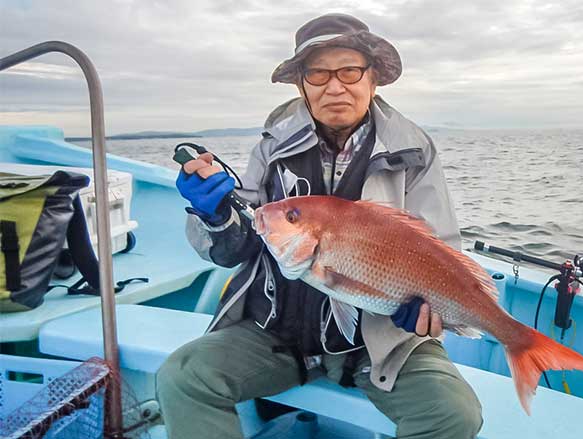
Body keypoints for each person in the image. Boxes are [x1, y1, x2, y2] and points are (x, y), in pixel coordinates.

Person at [157, 13, 483, 439]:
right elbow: (237, 248)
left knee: (454, 415)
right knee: (182, 378)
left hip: (379, 342)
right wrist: (214, 215)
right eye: (317, 72)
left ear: (373, 78)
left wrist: (425, 311)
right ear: (302, 84)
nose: (334, 85)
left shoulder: (413, 152)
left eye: (349, 70)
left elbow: (439, 249)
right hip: (276, 335)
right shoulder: (272, 147)